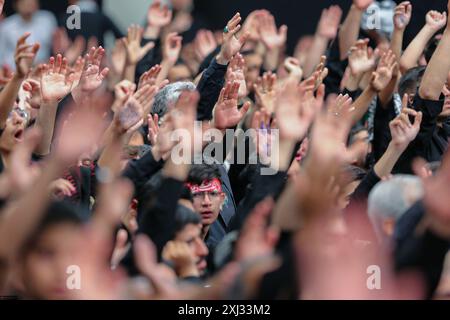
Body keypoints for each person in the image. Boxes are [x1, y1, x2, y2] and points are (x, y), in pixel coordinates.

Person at [0, 0, 56, 68]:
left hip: (44, 69)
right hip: (15, 71)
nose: (29, 3)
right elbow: (1, 56)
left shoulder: (48, 19)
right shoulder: (6, 25)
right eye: (24, 1)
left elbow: (56, 48)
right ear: (16, 5)